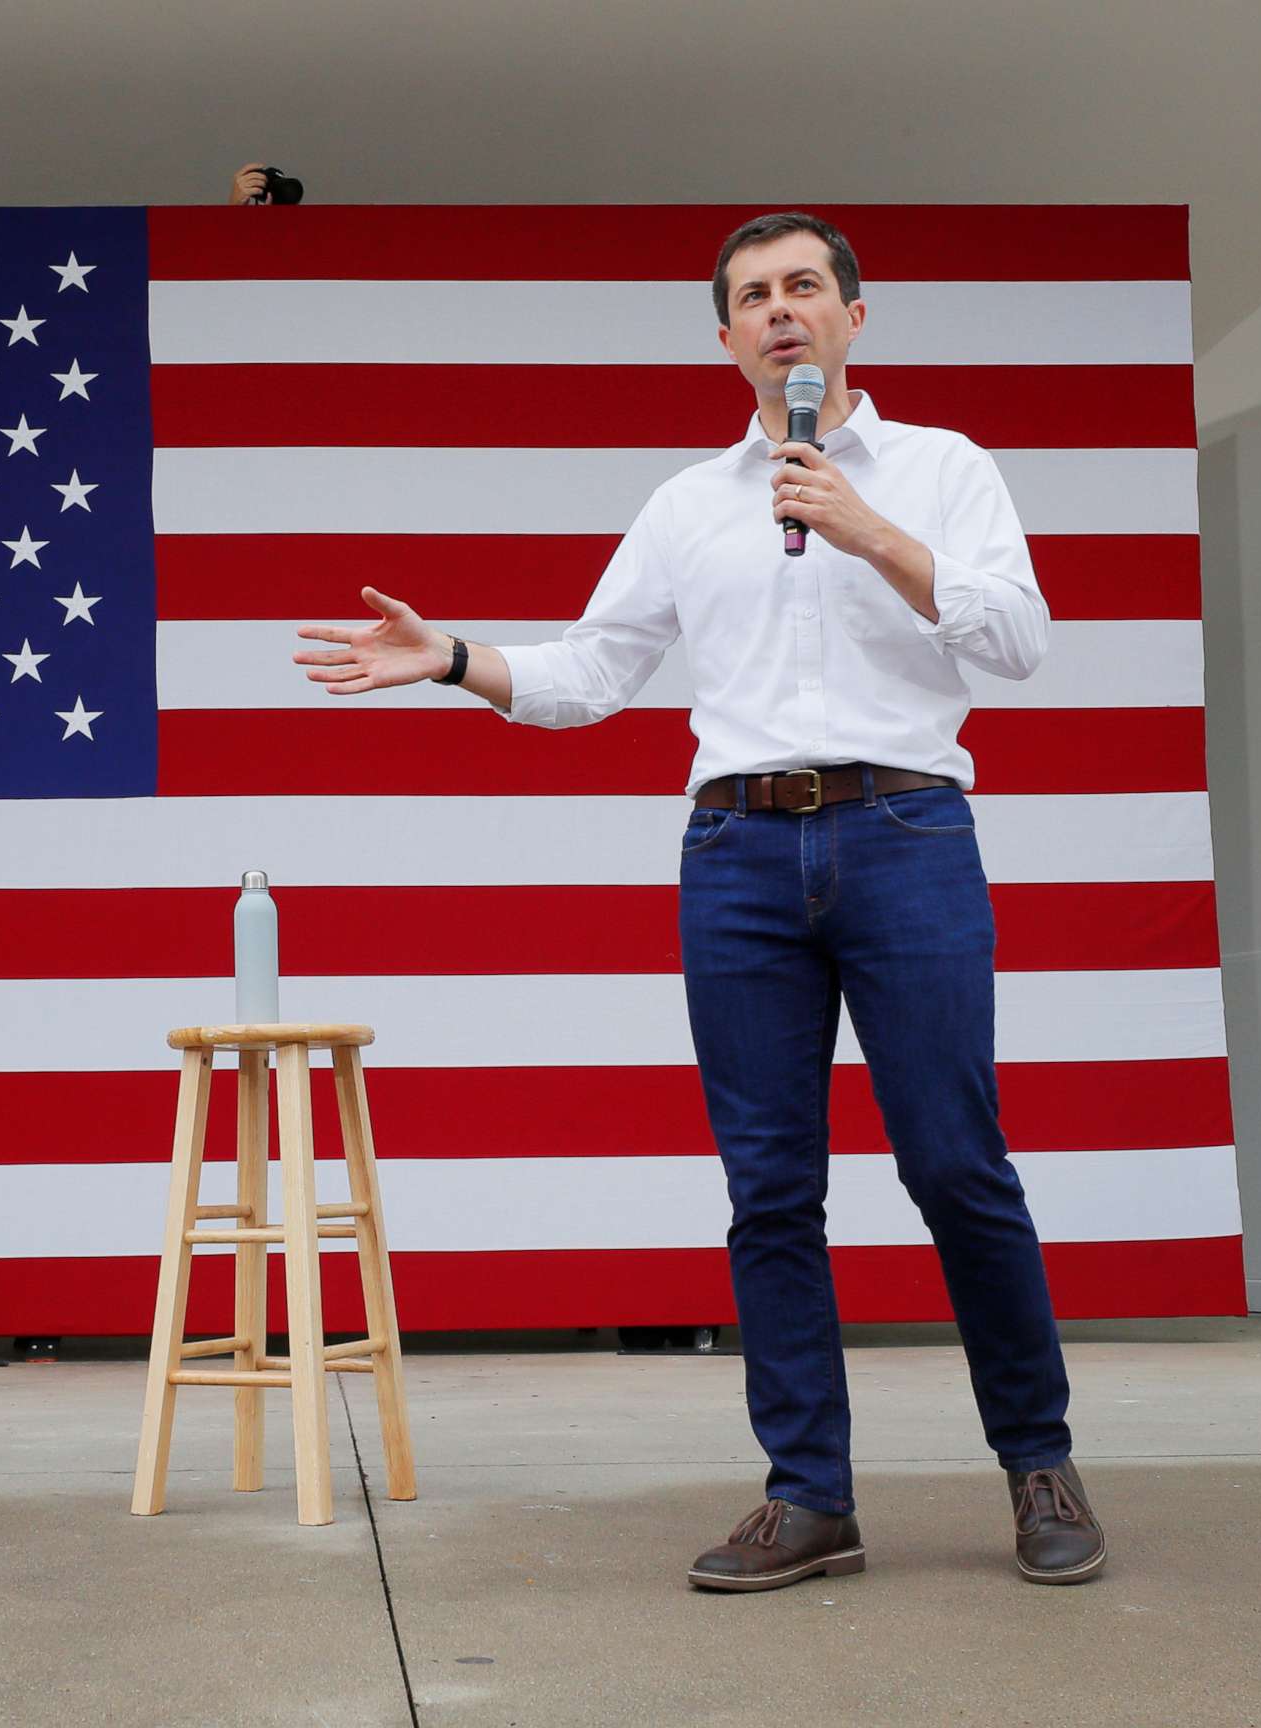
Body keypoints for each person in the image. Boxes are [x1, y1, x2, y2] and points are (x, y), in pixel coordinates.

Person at [289, 211, 1108, 1591]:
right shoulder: (686, 505)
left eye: (804, 288)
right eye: (753, 297)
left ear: (855, 315)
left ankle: (1040, 1464)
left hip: (905, 832)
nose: (781, 312)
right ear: (725, 338)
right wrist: (452, 659)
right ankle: (809, 1498)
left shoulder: (942, 471)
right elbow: (593, 677)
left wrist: (870, 532)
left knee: (957, 1165)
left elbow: (1018, 640)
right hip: (736, 853)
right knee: (769, 1186)